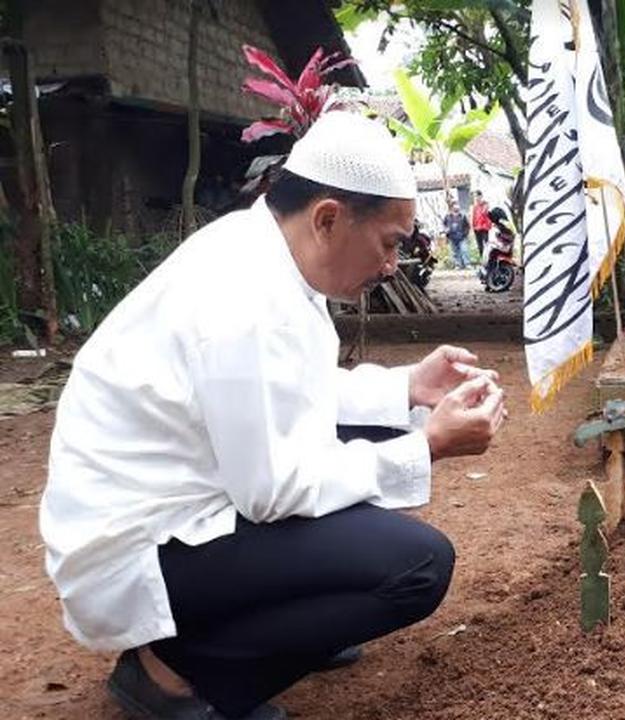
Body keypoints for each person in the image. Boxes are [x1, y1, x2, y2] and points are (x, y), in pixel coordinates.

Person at [39, 112, 508, 720]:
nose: (393, 264)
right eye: (390, 242)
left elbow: (293, 391)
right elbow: (272, 492)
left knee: (380, 427)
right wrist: (429, 447)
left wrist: (409, 388)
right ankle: (173, 673)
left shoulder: (265, 254)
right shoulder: (242, 298)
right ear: (329, 218)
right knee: (418, 565)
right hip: (140, 544)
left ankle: (284, 626)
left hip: (186, 499)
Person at [443, 199, 471, 270]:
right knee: (455, 252)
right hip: (452, 237)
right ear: (451, 207)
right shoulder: (447, 216)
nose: (456, 207)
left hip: (462, 237)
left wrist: (465, 234)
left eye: (457, 205)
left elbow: (467, 226)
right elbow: (444, 225)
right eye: (454, 205)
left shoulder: (463, 216)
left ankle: (467, 264)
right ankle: (458, 265)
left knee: (464, 250)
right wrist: (446, 231)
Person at [471, 190, 492, 257]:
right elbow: (474, 217)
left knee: (486, 244)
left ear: (481, 196)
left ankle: (488, 259)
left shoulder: (485, 205)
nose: (476, 198)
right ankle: (482, 260)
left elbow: (485, 214)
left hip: (484, 227)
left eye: (477, 196)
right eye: (475, 197)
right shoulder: (475, 207)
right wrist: (473, 226)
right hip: (476, 228)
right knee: (480, 246)